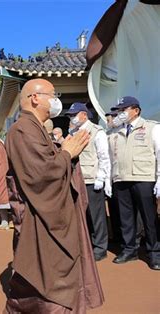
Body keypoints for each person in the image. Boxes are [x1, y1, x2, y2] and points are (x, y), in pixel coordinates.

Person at [4, 78, 104, 313]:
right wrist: (66, 154)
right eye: (53, 94)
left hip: (52, 214)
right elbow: (40, 176)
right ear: (35, 98)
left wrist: (67, 154)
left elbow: (48, 165)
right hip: (40, 220)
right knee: (48, 282)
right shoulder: (22, 129)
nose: (56, 100)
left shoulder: (36, 129)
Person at [109, 96, 160, 270]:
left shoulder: (152, 128)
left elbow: (159, 153)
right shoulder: (116, 131)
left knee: (149, 218)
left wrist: (159, 178)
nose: (121, 113)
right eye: (119, 110)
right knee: (126, 219)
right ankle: (129, 249)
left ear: (136, 110)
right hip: (122, 178)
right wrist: (110, 179)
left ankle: (154, 253)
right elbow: (110, 157)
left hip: (144, 178)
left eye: (124, 110)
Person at [65, 103, 111, 261]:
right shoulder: (72, 132)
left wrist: (101, 176)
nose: (72, 117)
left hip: (92, 178)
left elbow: (104, 156)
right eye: (71, 115)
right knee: (81, 214)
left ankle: (100, 247)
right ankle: (88, 245)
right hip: (77, 178)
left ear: (84, 114)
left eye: (74, 114)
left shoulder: (97, 132)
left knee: (96, 215)